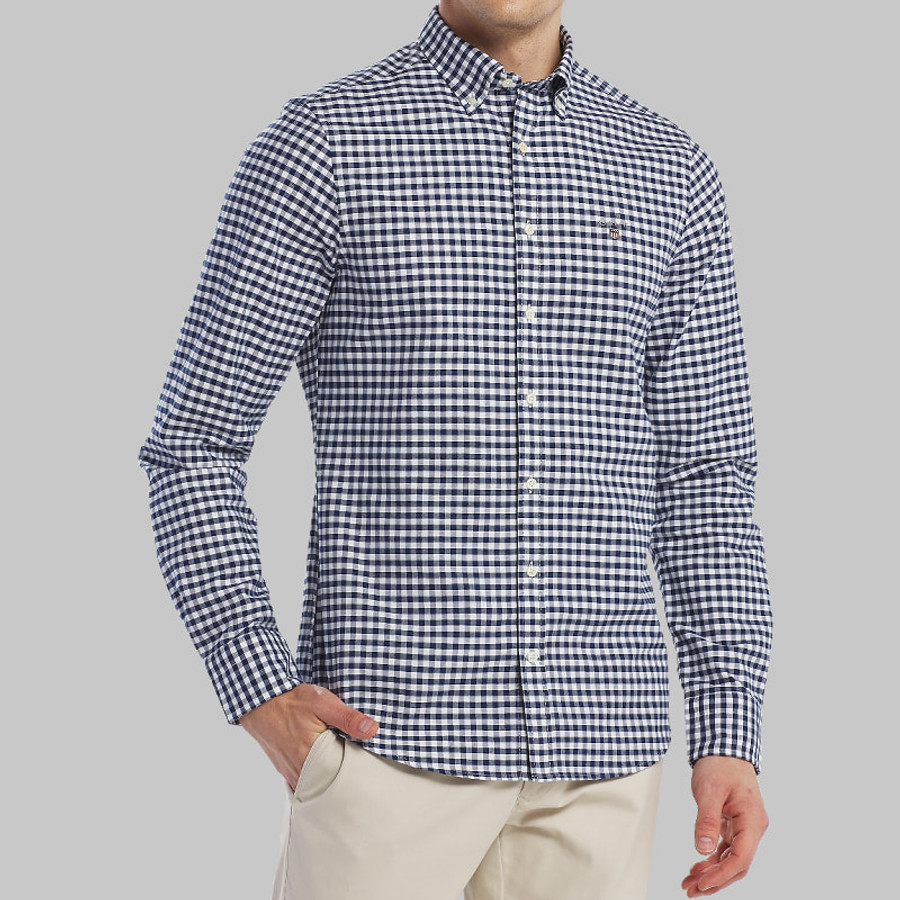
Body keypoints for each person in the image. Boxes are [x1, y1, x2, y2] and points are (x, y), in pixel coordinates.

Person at [137, 2, 772, 897]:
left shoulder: (669, 168)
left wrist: (727, 729)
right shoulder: (325, 144)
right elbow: (194, 443)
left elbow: (705, 475)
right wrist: (259, 688)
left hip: (603, 757)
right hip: (383, 751)